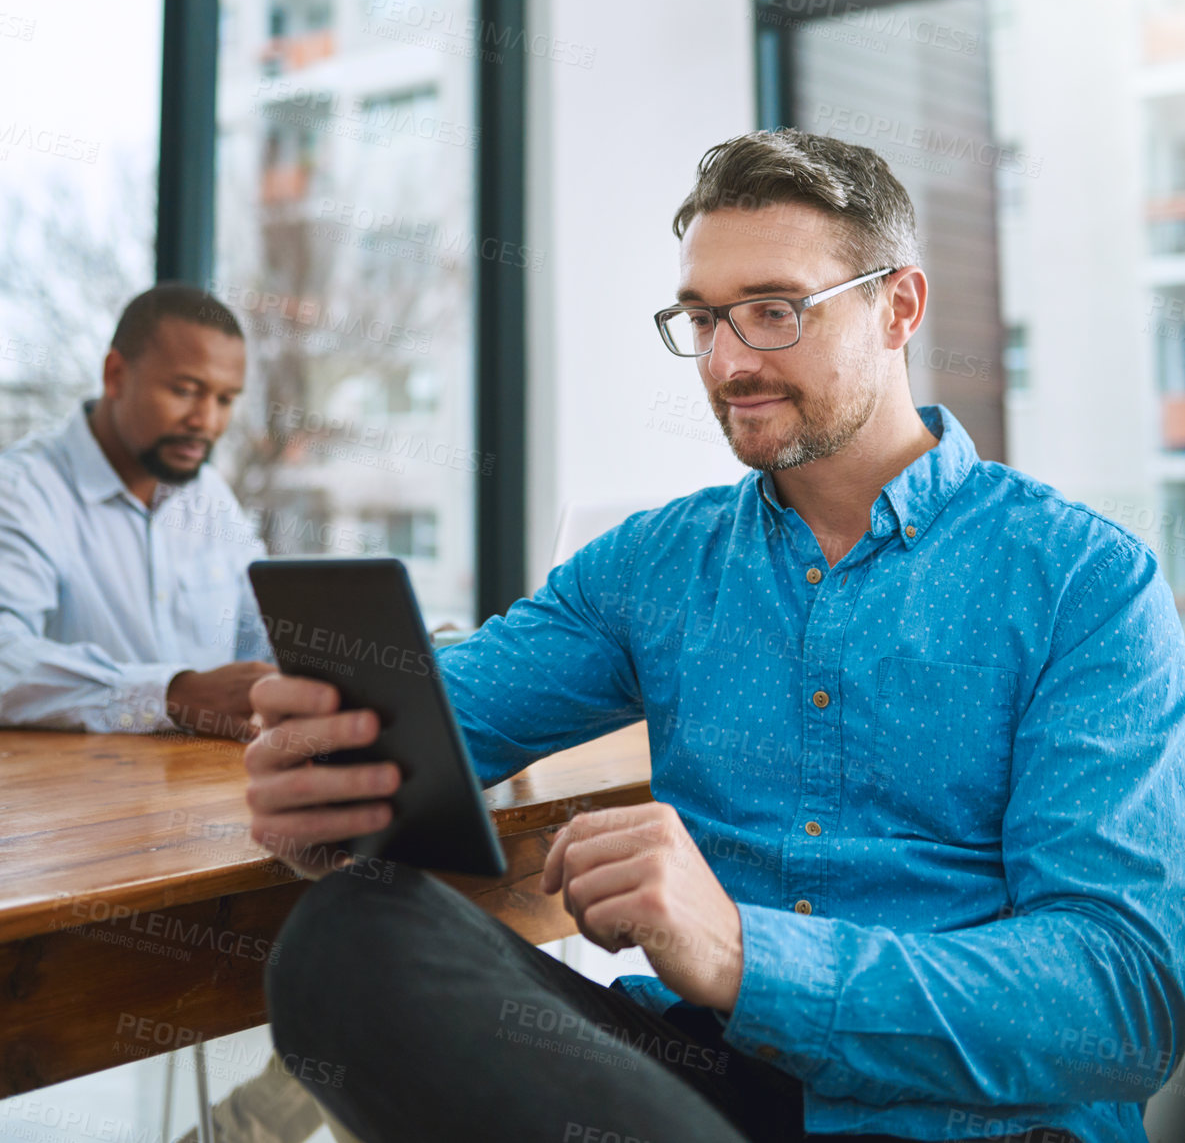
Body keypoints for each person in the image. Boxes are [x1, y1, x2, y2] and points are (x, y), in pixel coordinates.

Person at [244, 129, 1185, 1143]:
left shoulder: (1084, 579)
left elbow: (1121, 999)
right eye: (703, 319)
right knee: (353, 933)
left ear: (899, 306)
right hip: (697, 1092)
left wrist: (745, 954)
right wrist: (329, 781)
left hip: (975, 1123)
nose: (729, 361)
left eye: (775, 312)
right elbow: (435, 718)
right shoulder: (655, 565)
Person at [0, 282, 275, 736]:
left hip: (205, 788)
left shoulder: (210, 497)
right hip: (75, 798)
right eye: (186, 390)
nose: (207, 421)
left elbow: (263, 637)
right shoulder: (21, 492)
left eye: (225, 400)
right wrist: (172, 695)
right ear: (115, 375)